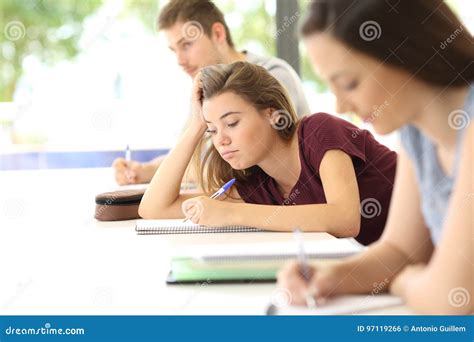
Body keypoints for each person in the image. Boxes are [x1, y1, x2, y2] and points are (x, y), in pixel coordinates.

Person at [277, 0, 473, 314]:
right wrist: (332, 276)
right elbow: (401, 251)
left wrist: (405, 282)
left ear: (407, 51)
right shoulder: (416, 131)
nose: (340, 106)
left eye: (349, 83)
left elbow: (450, 297)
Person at [139, 61, 397, 245]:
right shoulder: (258, 184)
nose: (222, 140)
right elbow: (154, 208)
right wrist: (196, 125)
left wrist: (231, 213)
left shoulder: (319, 131)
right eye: (212, 130)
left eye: (231, 123)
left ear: (272, 115)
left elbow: (345, 219)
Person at [112, 0, 310, 185]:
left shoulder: (274, 75)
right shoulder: (209, 90)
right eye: (174, 50)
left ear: (218, 33)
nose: (180, 61)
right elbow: (191, 155)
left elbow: (241, 170)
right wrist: (144, 170)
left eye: (186, 45)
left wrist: (189, 171)